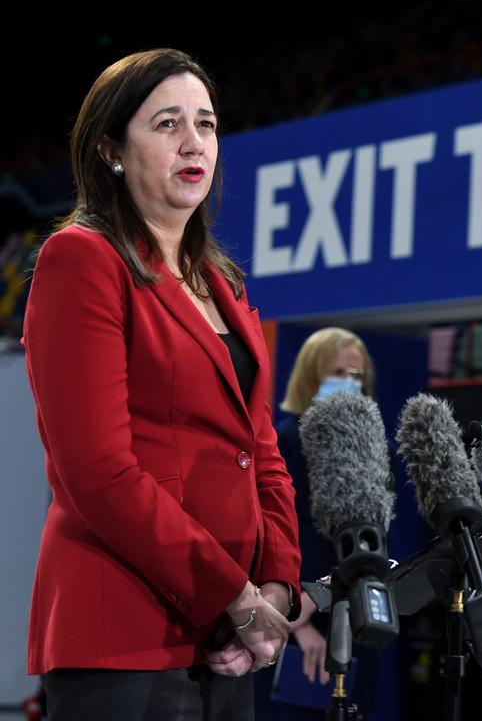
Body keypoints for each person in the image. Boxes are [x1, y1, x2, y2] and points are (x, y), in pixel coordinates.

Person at [22, 49, 302, 720]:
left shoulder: (224, 284)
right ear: (111, 151)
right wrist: (233, 596)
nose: (194, 142)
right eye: (167, 123)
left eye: (205, 124)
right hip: (125, 632)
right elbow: (96, 472)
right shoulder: (82, 259)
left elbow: (260, 451)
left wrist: (278, 588)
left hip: (230, 639)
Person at [253, 327, 378, 719]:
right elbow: (270, 535)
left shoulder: (372, 448)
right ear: (312, 376)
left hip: (352, 619)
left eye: (357, 376)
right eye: (338, 372)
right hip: (292, 619)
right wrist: (297, 625)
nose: (349, 384)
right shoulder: (285, 441)